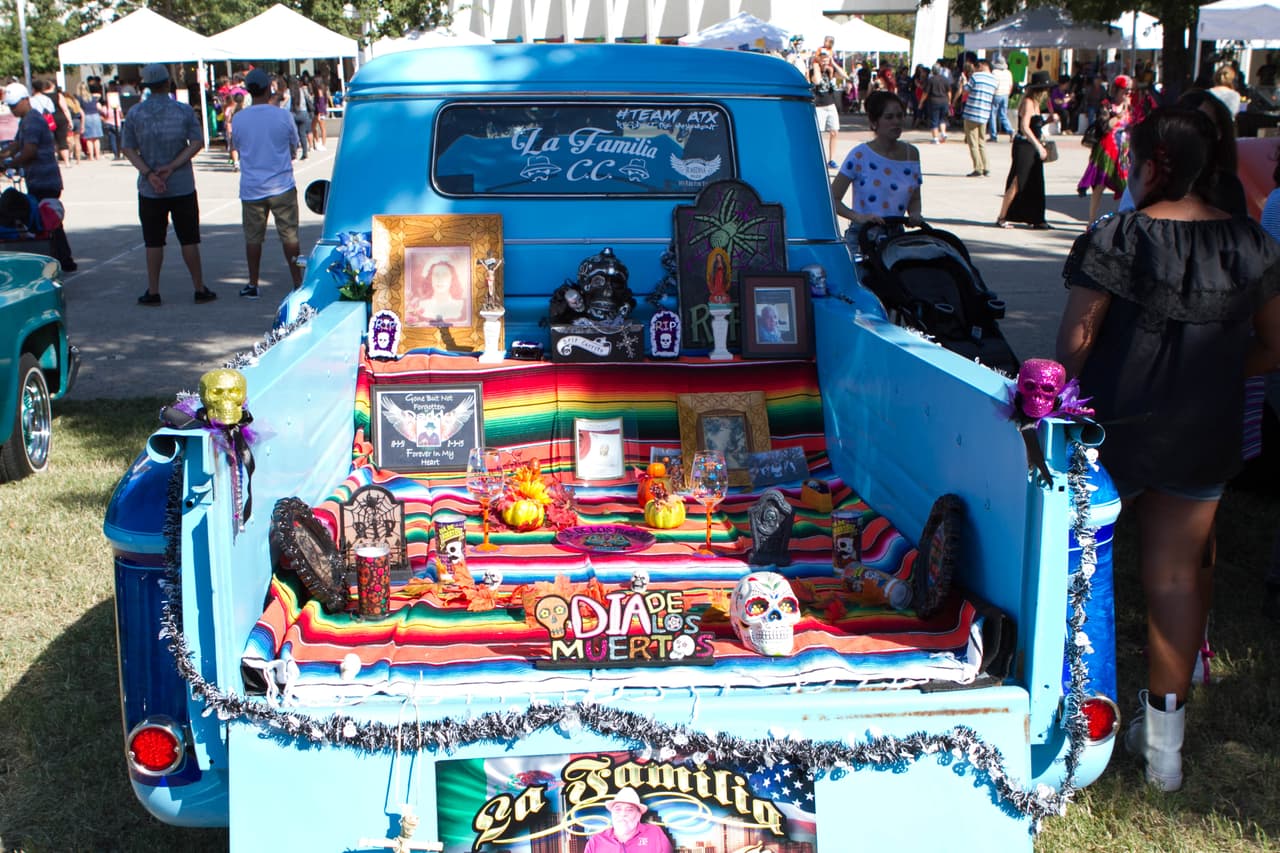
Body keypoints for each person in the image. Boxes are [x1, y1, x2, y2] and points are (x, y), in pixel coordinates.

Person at [1055, 107, 1280, 792]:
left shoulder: (1117, 234)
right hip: (1201, 428)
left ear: (1153, 163)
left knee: (1074, 573)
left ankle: (1067, 724)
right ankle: (1165, 759)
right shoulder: (1252, 243)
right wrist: (1207, 380)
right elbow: (1273, 346)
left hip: (1110, 425)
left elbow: (1076, 341)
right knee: (1177, 580)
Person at [121, 63, 214, 306]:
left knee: (153, 241)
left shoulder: (135, 114)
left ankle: (153, 290)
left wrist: (149, 173)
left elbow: (127, 147)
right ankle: (199, 287)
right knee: (189, 238)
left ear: (146, 86)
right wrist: (173, 166)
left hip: (150, 188)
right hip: (181, 183)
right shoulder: (183, 111)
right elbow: (196, 142)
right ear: (168, 83)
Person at [231, 68, 302, 299]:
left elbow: (237, 147)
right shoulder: (282, 115)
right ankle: (297, 281)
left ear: (249, 90)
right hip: (281, 184)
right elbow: (295, 145)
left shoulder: (240, 118)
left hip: (252, 187)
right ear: (268, 88)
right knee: (289, 236)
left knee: (253, 238)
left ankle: (253, 283)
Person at [0, 83, 75, 272]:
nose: (12, 109)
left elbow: (29, 151)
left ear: (25, 100)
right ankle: (64, 259)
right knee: (50, 221)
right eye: (10, 106)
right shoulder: (26, 120)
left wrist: (9, 164)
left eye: (14, 105)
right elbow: (18, 144)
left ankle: (61, 259)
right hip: (39, 178)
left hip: (44, 179)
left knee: (47, 221)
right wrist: (3, 155)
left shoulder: (32, 120)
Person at [830, 91, 922, 236]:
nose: (896, 122)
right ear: (874, 122)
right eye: (889, 117)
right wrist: (858, 217)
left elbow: (915, 197)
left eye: (900, 116)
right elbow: (832, 198)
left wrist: (916, 214)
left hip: (896, 237)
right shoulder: (860, 155)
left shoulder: (912, 154)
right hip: (864, 236)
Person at [996, 71, 1053, 230]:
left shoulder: (1035, 103)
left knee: (1035, 181)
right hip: (1024, 146)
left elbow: (1036, 126)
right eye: (1045, 89)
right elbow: (1024, 128)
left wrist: (1048, 120)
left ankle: (1037, 218)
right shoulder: (1028, 102)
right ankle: (1002, 216)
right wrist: (1039, 146)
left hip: (1032, 145)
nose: (1047, 92)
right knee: (1018, 180)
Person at [1077, 74, 1132, 223]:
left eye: (1130, 91)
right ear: (1117, 90)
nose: (1128, 94)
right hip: (1107, 150)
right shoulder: (1107, 104)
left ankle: (1124, 219)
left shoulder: (1131, 107)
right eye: (1126, 91)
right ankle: (1091, 219)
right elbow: (1105, 126)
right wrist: (1120, 114)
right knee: (1099, 185)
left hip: (1123, 151)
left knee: (1126, 186)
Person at [582, 788, 672, 853]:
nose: (623, 814)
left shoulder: (654, 834)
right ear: (612, 813)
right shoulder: (596, 842)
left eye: (629, 809)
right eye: (618, 809)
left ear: (638, 815)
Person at [810, 51, 848, 169]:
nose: (825, 61)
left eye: (826, 58)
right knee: (819, 134)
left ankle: (831, 159)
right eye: (822, 59)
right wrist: (816, 66)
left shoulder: (830, 71)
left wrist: (834, 63)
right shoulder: (813, 71)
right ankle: (818, 158)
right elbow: (817, 81)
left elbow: (844, 76)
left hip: (830, 105)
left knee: (834, 131)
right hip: (819, 106)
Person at [961, 58, 996, 177]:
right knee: (982, 141)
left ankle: (978, 168)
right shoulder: (994, 79)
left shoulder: (976, 77)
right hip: (984, 114)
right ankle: (986, 167)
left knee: (973, 142)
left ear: (981, 65)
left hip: (972, 112)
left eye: (977, 66)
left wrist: (965, 81)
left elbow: (966, 91)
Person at [987, 55, 1015, 142]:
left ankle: (993, 135)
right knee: (1003, 114)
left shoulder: (994, 72)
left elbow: (992, 84)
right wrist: (1008, 93)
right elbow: (1011, 85)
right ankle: (1010, 131)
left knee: (992, 115)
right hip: (1005, 94)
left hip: (996, 94)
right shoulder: (1008, 72)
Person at [923, 64, 951, 144]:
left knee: (934, 119)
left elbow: (925, 92)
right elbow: (949, 92)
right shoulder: (945, 79)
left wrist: (921, 102)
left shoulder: (931, 80)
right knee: (943, 118)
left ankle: (935, 138)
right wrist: (949, 101)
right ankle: (943, 133)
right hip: (944, 100)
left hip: (934, 101)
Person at [76, 81, 103, 160]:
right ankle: (98, 155)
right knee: (96, 138)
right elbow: (99, 95)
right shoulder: (93, 97)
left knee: (89, 138)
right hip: (96, 115)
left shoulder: (79, 98)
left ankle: (91, 156)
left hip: (87, 116)